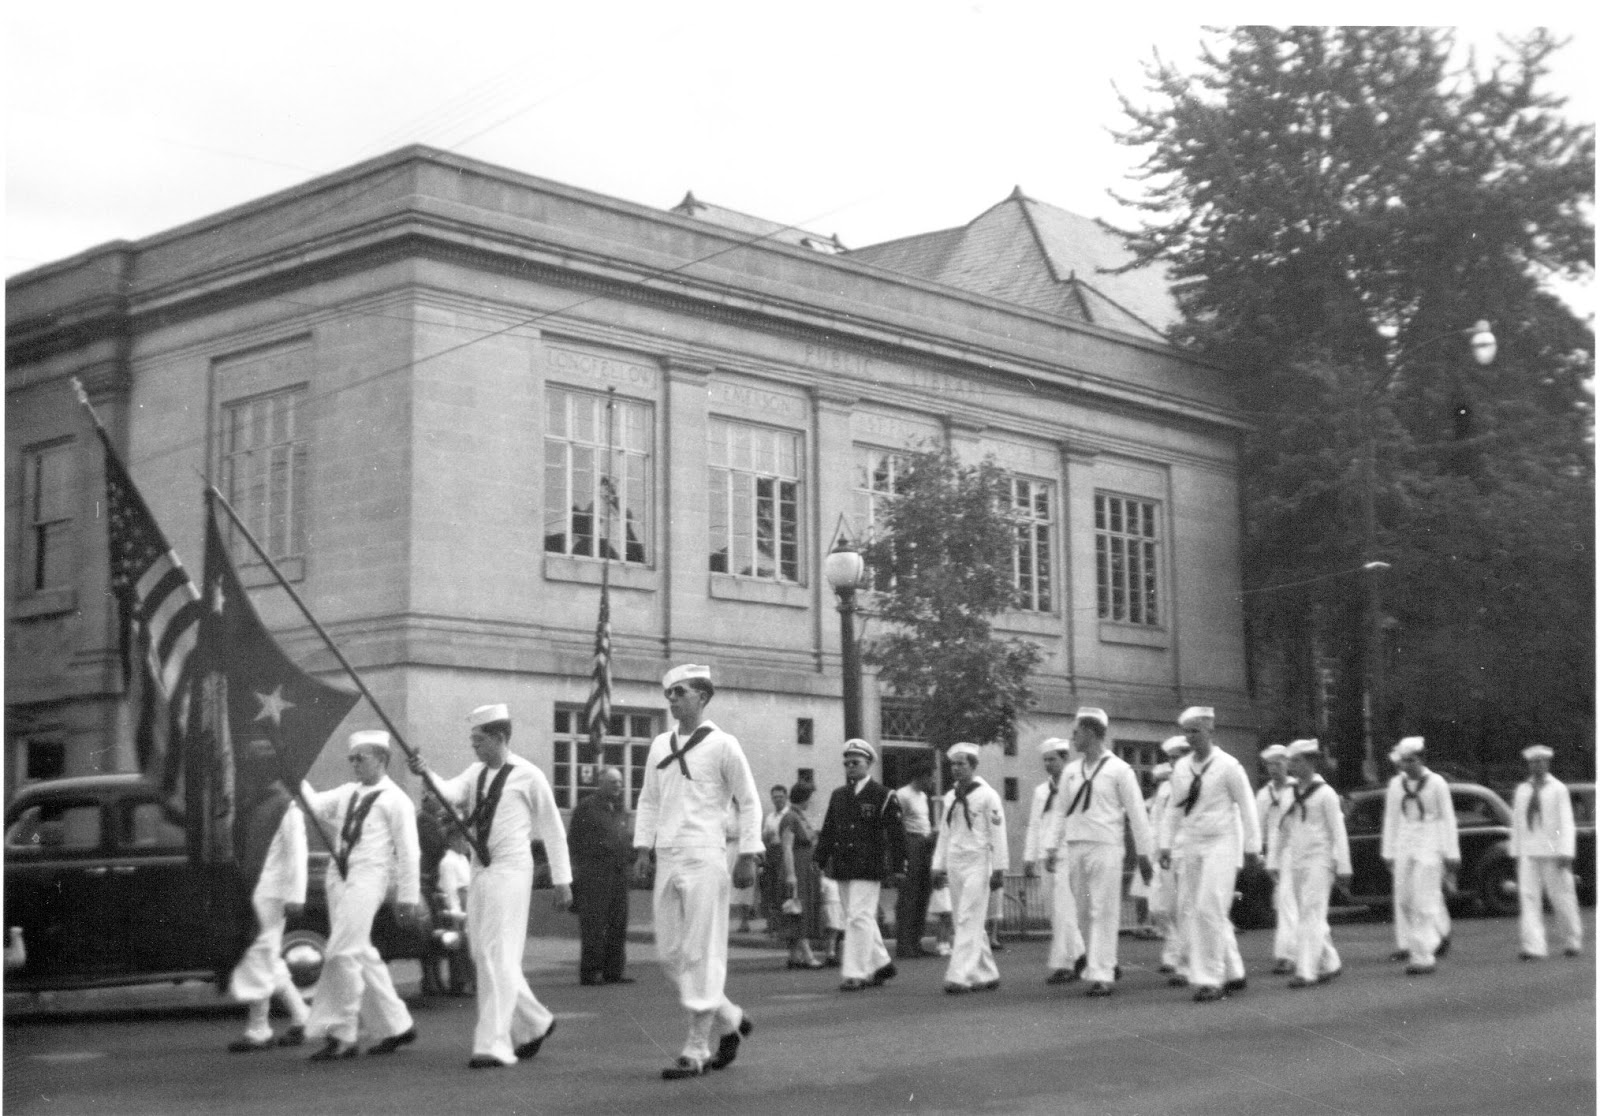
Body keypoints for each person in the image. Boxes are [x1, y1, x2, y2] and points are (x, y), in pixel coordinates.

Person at [409, 704, 572, 1068]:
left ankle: (494, 1044)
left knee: (498, 953)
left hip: (512, 871)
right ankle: (534, 1022)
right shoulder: (475, 772)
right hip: (480, 868)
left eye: (479, 740)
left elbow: (552, 828)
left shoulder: (529, 775)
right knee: (482, 952)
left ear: (500, 737)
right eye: (473, 741)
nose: (475, 747)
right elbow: (449, 793)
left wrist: (562, 880)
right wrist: (425, 773)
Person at [633, 665, 762, 1081]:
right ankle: (731, 1017)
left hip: (706, 855)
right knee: (670, 954)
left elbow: (749, 801)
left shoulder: (724, 745)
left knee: (700, 951)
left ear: (703, 697)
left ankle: (696, 1046)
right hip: (668, 855)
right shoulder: (658, 745)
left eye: (680, 692)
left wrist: (748, 853)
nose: (672, 699)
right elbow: (649, 800)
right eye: (669, 693)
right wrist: (642, 847)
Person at [300, 730, 422, 1060]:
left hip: (369, 877)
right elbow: (313, 806)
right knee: (360, 954)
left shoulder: (397, 800)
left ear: (381, 760)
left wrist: (409, 896)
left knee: (341, 952)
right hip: (338, 877)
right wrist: (295, 774)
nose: (354, 764)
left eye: (361, 758)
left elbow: (410, 852)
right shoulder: (347, 793)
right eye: (351, 758)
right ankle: (396, 1026)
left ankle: (341, 1033)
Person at [1044, 709, 1153, 997]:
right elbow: (1059, 812)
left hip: (1107, 847)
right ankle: (1100, 962)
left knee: (1103, 910)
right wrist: (1050, 846)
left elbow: (1137, 814)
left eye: (1076, 732)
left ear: (1091, 733)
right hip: (1076, 846)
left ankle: (1102, 972)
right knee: (1082, 912)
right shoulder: (1070, 771)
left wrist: (1144, 854)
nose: (1072, 738)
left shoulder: (1120, 770)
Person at [1158, 707, 1260, 1003]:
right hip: (1192, 842)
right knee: (1198, 908)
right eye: (1186, 731)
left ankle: (1210, 979)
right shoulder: (1181, 768)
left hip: (1222, 843)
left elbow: (1247, 806)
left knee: (1208, 908)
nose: (1190, 737)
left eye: (1196, 731)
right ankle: (1233, 971)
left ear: (1210, 732)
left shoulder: (1229, 766)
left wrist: (1253, 847)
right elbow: (1174, 808)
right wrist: (1165, 843)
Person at [814, 739, 905, 991]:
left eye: (855, 763)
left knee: (858, 917)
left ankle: (856, 972)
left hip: (868, 865)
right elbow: (829, 830)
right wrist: (819, 858)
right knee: (858, 916)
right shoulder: (839, 795)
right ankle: (881, 964)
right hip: (843, 865)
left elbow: (897, 834)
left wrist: (899, 866)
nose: (850, 767)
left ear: (869, 765)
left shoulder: (883, 795)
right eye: (847, 763)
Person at [226, 793, 311, 1052]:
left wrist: (296, 894)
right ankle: (303, 1017)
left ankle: (259, 1029)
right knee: (267, 956)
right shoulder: (256, 804)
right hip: (256, 890)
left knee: (257, 955)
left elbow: (297, 853)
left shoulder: (287, 808)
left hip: (271, 893)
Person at [1269, 739, 1350, 988]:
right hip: (1296, 860)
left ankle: (1306, 970)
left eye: (1298, 761)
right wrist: (1273, 859)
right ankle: (1330, 961)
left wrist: (1344, 866)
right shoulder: (1288, 794)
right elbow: (1282, 829)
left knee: (1311, 913)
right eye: (1291, 761)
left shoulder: (1325, 794)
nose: (1292, 765)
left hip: (1320, 859)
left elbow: (1338, 832)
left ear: (1312, 762)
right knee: (1307, 911)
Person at [930, 742, 1008, 994]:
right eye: (953, 764)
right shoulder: (951, 796)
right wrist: (937, 864)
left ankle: (959, 975)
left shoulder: (987, 795)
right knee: (964, 919)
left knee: (967, 917)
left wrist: (999, 868)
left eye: (962, 763)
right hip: (955, 861)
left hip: (978, 860)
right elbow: (945, 831)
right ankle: (986, 972)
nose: (956, 768)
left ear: (973, 766)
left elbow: (998, 833)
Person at [1380, 735, 1459, 976]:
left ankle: (1422, 956)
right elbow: (1391, 818)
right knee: (1404, 899)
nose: (1407, 766)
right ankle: (1438, 935)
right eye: (1403, 761)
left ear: (1422, 760)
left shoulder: (1437, 783)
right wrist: (1388, 850)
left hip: (1430, 841)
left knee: (1424, 899)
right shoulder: (1396, 785)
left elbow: (1447, 818)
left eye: (1412, 760)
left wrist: (1451, 851)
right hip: (1405, 841)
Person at [1510, 745, 1582, 961]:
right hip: (1529, 851)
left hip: (1553, 850)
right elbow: (1517, 822)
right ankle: (1534, 946)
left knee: (1561, 897)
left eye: (1541, 761)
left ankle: (1572, 939)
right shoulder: (1522, 790)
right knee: (1529, 898)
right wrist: (1516, 851)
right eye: (1533, 762)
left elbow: (1566, 822)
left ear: (1548, 763)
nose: (1537, 765)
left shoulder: (1558, 789)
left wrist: (1566, 851)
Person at [567, 766, 635, 985]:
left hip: (618, 874)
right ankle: (591, 971)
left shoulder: (621, 809)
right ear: (601, 783)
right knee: (594, 924)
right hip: (594, 874)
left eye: (620, 782)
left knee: (618, 922)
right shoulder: (586, 808)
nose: (618, 786)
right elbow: (574, 841)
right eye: (613, 782)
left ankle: (614, 971)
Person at [1025, 737, 1084, 984]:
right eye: (1045, 760)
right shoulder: (1041, 792)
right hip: (1045, 857)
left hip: (1068, 854)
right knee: (1054, 912)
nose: (1048, 764)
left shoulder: (1075, 787)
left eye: (1053, 759)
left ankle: (1066, 964)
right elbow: (1035, 825)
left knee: (1064, 911)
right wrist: (1029, 856)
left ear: (1064, 759)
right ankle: (1081, 957)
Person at [1255, 744, 1300, 976]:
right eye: (1270, 764)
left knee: (1287, 902)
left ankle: (1287, 955)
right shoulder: (1264, 795)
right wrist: (1259, 854)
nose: (1274, 769)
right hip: (1276, 854)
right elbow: (1257, 827)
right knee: (1286, 903)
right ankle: (1306, 950)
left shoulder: (1298, 788)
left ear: (1288, 764)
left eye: (1278, 763)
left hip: (1297, 850)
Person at [1149, 737, 1190, 974]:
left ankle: (1180, 959)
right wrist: (1153, 851)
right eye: (1171, 758)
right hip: (1164, 854)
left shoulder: (1196, 783)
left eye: (1178, 757)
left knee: (1184, 909)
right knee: (1159, 907)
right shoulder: (1165, 789)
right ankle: (1175, 948)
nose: (1173, 762)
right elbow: (1156, 822)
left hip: (1186, 851)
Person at [778, 781, 824, 969]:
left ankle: (794, 955)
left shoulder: (798, 816)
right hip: (796, 868)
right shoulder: (790, 817)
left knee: (798, 910)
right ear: (805, 798)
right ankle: (807, 955)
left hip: (804, 868)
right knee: (798, 911)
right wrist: (791, 874)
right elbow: (787, 847)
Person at [894, 766, 938, 959]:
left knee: (923, 893)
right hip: (910, 843)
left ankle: (916, 941)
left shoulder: (923, 797)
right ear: (921, 775)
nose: (933, 782)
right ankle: (904, 944)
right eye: (930, 777)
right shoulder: (902, 795)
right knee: (909, 895)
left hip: (925, 843)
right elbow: (896, 825)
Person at [427, 832, 475, 996]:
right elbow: (450, 890)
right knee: (460, 940)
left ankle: (471, 980)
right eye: (462, 839)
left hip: (468, 902)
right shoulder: (448, 862)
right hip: (453, 909)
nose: (466, 844)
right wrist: (457, 914)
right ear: (453, 841)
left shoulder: (462, 859)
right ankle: (460, 982)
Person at [760, 784, 790, 932]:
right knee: (770, 887)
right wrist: (765, 836)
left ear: (786, 797)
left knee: (781, 887)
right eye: (775, 797)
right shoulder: (770, 817)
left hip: (784, 852)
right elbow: (764, 836)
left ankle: (782, 924)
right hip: (772, 852)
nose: (778, 800)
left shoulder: (789, 815)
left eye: (780, 796)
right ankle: (771, 924)